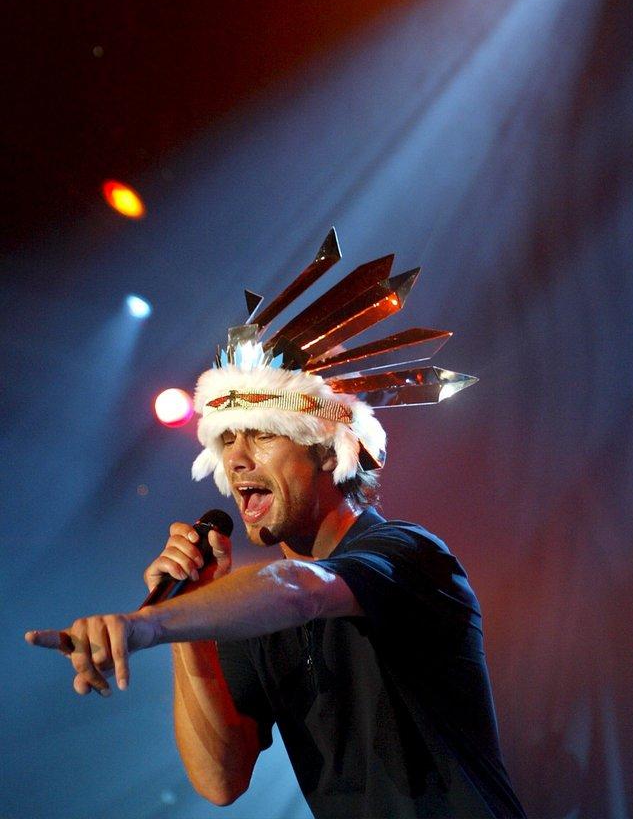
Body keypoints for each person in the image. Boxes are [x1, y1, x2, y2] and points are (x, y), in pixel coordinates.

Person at [25, 233, 528, 818]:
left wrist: (147, 626)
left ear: (325, 451)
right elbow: (222, 779)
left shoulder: (407, 554)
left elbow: (301, 591)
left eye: (261, 434)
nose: (236, 459)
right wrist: (191, 610)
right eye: (226, 439)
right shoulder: (254, 612)